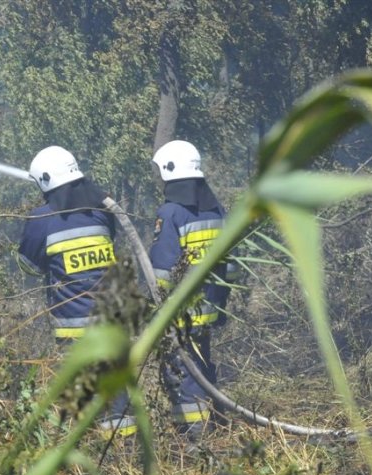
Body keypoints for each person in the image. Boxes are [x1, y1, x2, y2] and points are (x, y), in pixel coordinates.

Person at [17, 146, 134, 437]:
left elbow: (28, 266)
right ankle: (126, 453)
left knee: (85, 398)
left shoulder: (41, 219)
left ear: (45, 181)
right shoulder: (101, 212)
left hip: (75, 331)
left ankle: (94, 452)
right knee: (117, 396)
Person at [148, 140, 239, 438]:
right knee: (201, 365)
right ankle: (215, 421)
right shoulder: (216, 210)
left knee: (182, 373)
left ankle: (196, 439)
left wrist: (155, 309)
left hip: (181, 313)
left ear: (168, 170)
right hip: (209, 308)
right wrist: (220, 303)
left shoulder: (171, 213)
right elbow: (232, 266)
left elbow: (162, 272)